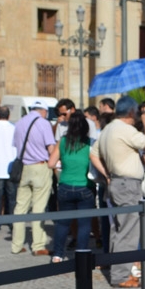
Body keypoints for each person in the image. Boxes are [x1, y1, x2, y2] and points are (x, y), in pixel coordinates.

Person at [95, 95, 145, 288]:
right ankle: (120, 276)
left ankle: (118, 269)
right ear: (131, 112)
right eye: (138, 112)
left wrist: (107, 175)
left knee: (118, 229)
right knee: (127, 231)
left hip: (116, 183)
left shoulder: (107, 129)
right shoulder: (125, 130)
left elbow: (93, 153)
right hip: (127, 184)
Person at [49, 111, 101, 263]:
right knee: (84, 223)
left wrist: (63, 164)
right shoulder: (89, 143)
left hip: (65, 185)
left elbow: (51, 163)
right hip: (85, 186)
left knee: (63, 223)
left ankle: (58, 254)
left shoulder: (63, 141)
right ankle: (81, 254)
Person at [10, 99, 57, 256]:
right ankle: (38, 245)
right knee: (39, 207)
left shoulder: (19, 123)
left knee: (20, 207)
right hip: (40, 166)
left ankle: (16, 245)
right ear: (44, 111)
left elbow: (16, 146)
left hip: (24, 168)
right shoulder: (44, 123)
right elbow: (51, 147)